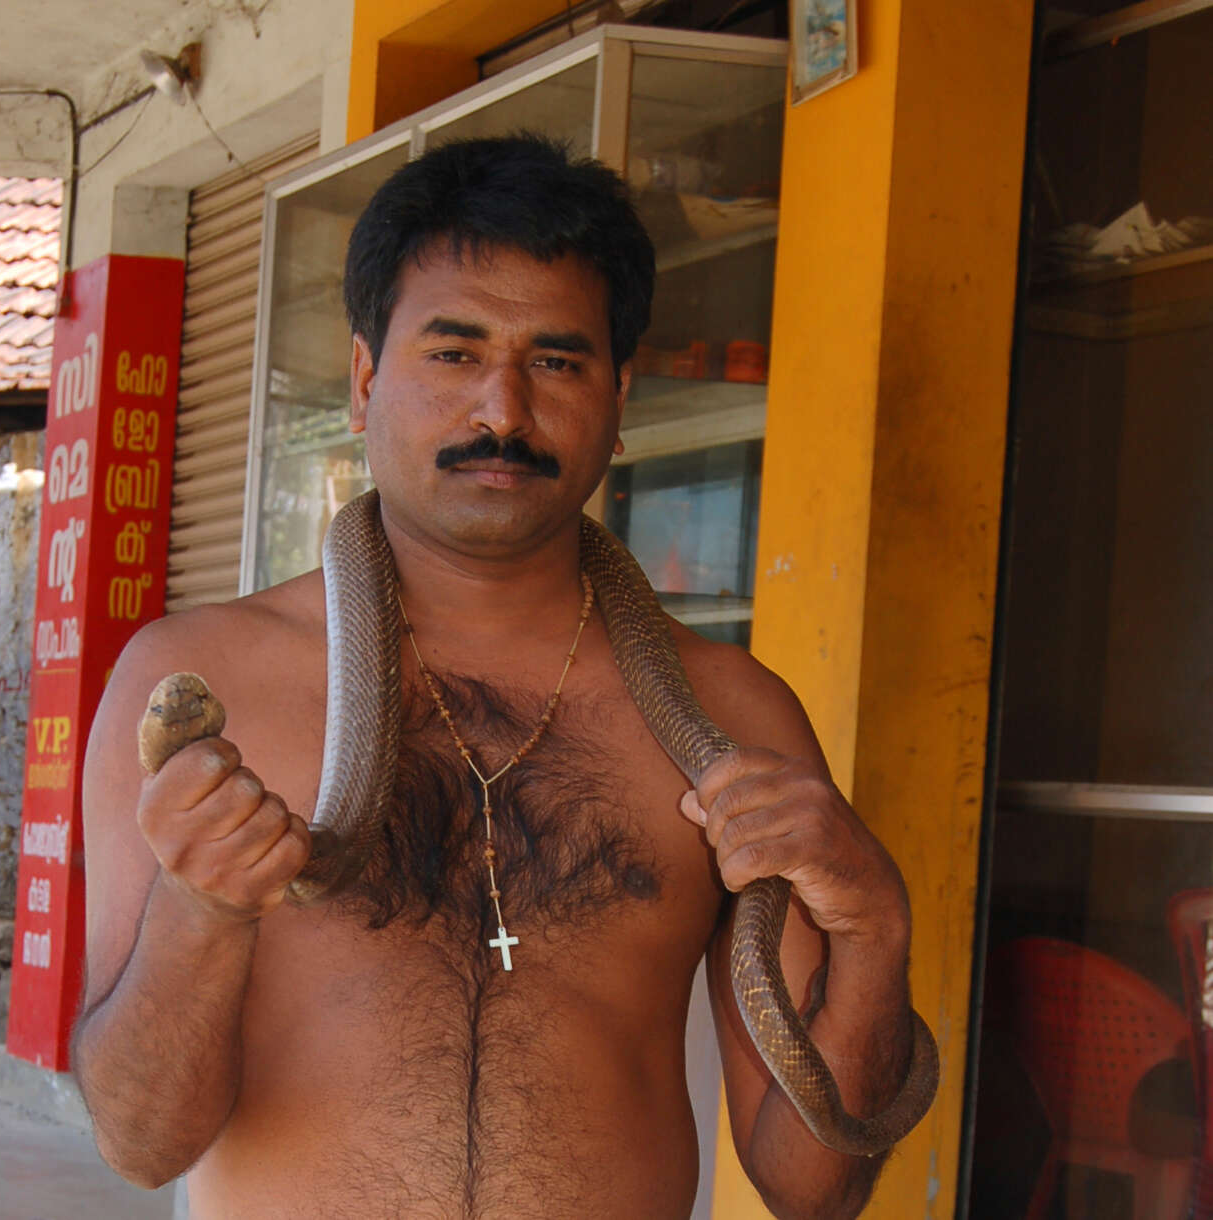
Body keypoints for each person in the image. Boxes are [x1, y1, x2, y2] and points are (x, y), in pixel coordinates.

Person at [73, 134, 921, 1219]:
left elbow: (816, 1185)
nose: (502, 413)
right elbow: (141, 1142)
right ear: (367, 375)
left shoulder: (731, 718)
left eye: (556, 362)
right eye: (454, 353)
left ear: (618, 395)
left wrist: (872, 927)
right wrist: (201, 908)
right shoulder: (199, 687)